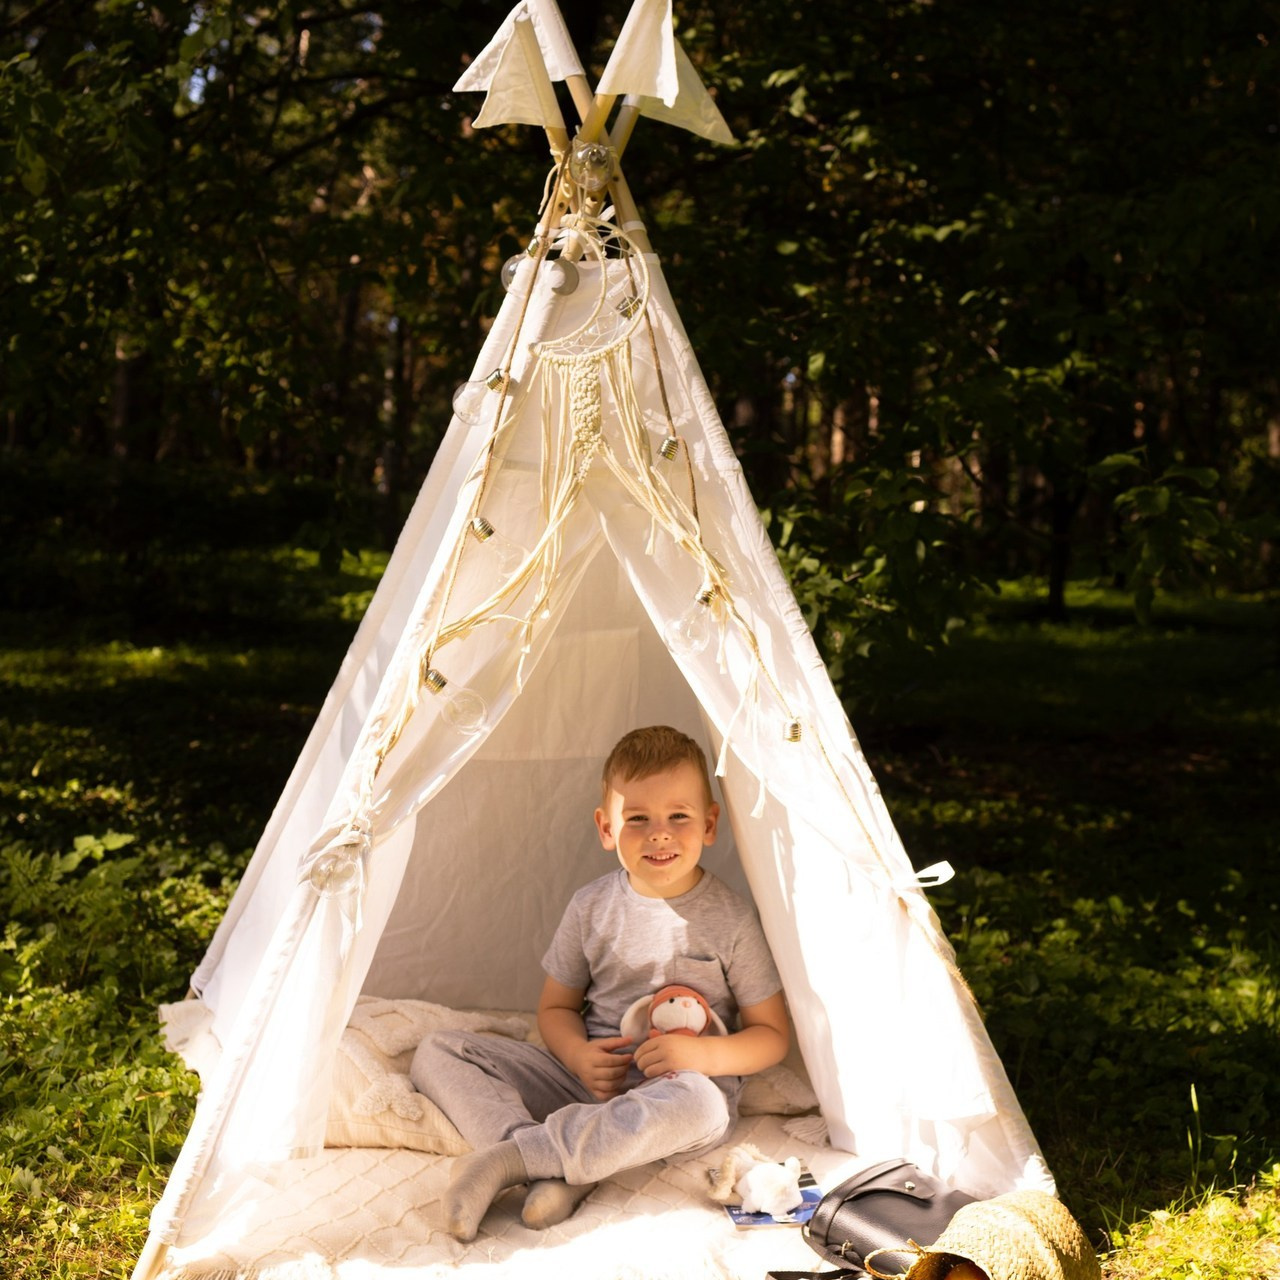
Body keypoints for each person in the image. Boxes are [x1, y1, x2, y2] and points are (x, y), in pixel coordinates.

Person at [410, 724, 790, 1241]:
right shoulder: (591, 907)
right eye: (638, 818)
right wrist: (576, 1057)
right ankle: (539, 1159)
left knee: (704, 1105)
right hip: (589, 1086)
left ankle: (515, 1160)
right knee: (440, 1049)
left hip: (678, 1096)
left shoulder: (732, 919)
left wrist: (700, 1059)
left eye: (678, 816)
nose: (660, 833)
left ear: (709, 823)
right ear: (606, 828)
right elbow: (555, 1010)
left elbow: (771, 1035)